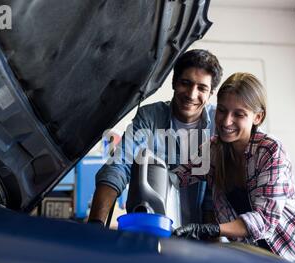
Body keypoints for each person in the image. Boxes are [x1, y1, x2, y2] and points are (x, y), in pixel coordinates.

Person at [172, 72, 295, 263]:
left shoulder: (270, 150)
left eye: (239, 114)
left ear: (257, 117)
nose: (226, 122)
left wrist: (210, 230)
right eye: (222, 111)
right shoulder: (212, 152)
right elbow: (177, 176)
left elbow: (265, 220)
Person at [87, 49, 223, 226]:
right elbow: (118, 166)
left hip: (202, 236)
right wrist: (95, 224)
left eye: (202, 88)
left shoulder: (219, 123)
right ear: (174, 82)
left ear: (211, 93)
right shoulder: (150, 117)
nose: (191, 94)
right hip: (150, 231)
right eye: (185, 83)